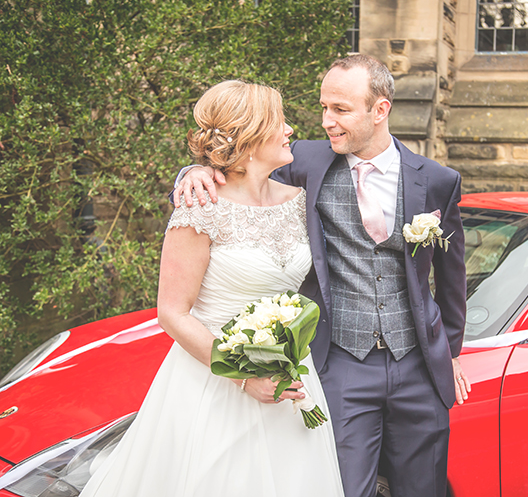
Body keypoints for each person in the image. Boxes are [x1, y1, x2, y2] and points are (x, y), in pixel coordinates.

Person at [174, 55, 469, 497]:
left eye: (341, 110)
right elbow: (239, 171)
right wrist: (194, 171)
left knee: (424, 487)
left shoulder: (438, 180)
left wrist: (453, 351)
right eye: (324, 107)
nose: (327, 121)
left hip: (419, 369)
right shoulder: (306, 161)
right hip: (341, 364)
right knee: (342, 487)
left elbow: (452, 276)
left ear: (380, 110)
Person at [81, 80, 345, 497]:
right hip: (214, 384)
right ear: (251, 137)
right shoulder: (201, 206)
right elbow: (172, 312)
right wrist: (243, 377)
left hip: (292, 381)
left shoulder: (299, 198)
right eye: (280, 122)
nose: (291, 129)